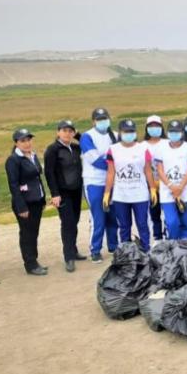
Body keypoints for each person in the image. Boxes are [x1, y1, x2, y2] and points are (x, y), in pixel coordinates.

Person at [104, 119, 157, 251]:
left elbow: (148, 170)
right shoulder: (113, 150)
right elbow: (111, 172)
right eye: (126, 131)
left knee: (142, 224)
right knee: (124, 226)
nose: (129, 134)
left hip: (140, 194)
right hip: (121, 195)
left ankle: (146, 249)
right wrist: (107, 192)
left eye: (131, 131)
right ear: (120, 132)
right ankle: (126, 251)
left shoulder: (143, 148)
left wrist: (152, 188)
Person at [44, 120, 86, 272]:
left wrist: (78, 135)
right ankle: (68, 257)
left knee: (75, 221)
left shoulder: (75, 147)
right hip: (62, 193)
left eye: (70, 131)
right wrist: (55, 193)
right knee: (68, 223)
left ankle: (73, 250)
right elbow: (49, 173)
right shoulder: (53, 149)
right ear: (58, 132)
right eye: (64, 131)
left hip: (76, 191)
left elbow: (87, 143)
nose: (67, 134)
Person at [5, 128, 48, 275]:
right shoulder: (13, 160)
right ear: (16, 143)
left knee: (34, 232)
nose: (27, 143)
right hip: (25, 203)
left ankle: (34, 260)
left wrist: (43, 198)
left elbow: (37, 178)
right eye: (23, 141)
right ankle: (30, 264)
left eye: (29, 140)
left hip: (36, 200)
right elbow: (13, 185)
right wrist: (21, 206)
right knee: (27, 233)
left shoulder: (33, 155)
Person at [80, 107, 118, 263]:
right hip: (94, 182)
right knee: (98, 217)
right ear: (93, 121)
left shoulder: (115, 135)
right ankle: (95, 249)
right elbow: (95, 160)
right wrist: (114, 164)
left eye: (105, 119)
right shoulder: (87, 136)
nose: (103, 122)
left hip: (113, 181)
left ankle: (113, 246)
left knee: (113, 216)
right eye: (99, 119)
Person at [155, 120, 187, 240]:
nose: (174, 134)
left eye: (177, 132)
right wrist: (171, 186)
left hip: (185, 190)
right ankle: (172, 243)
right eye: (171, 132)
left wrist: (180, 187)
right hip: (168, 191)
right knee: (172, 222)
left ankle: (184, 244)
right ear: (167, 133)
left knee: (185, 221)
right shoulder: (161, 148)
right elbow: (160, 170)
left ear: (182, 133)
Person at [144, 115, 165, 241]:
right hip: (150, 185)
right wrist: (152, 184)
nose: (154, 128)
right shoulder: (142, 145)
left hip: (167, 184)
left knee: (168, 212)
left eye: (157, 126)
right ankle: (157, 237)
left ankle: (169, 235)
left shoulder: (167, 143)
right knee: (154, 212)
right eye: (151, 126)